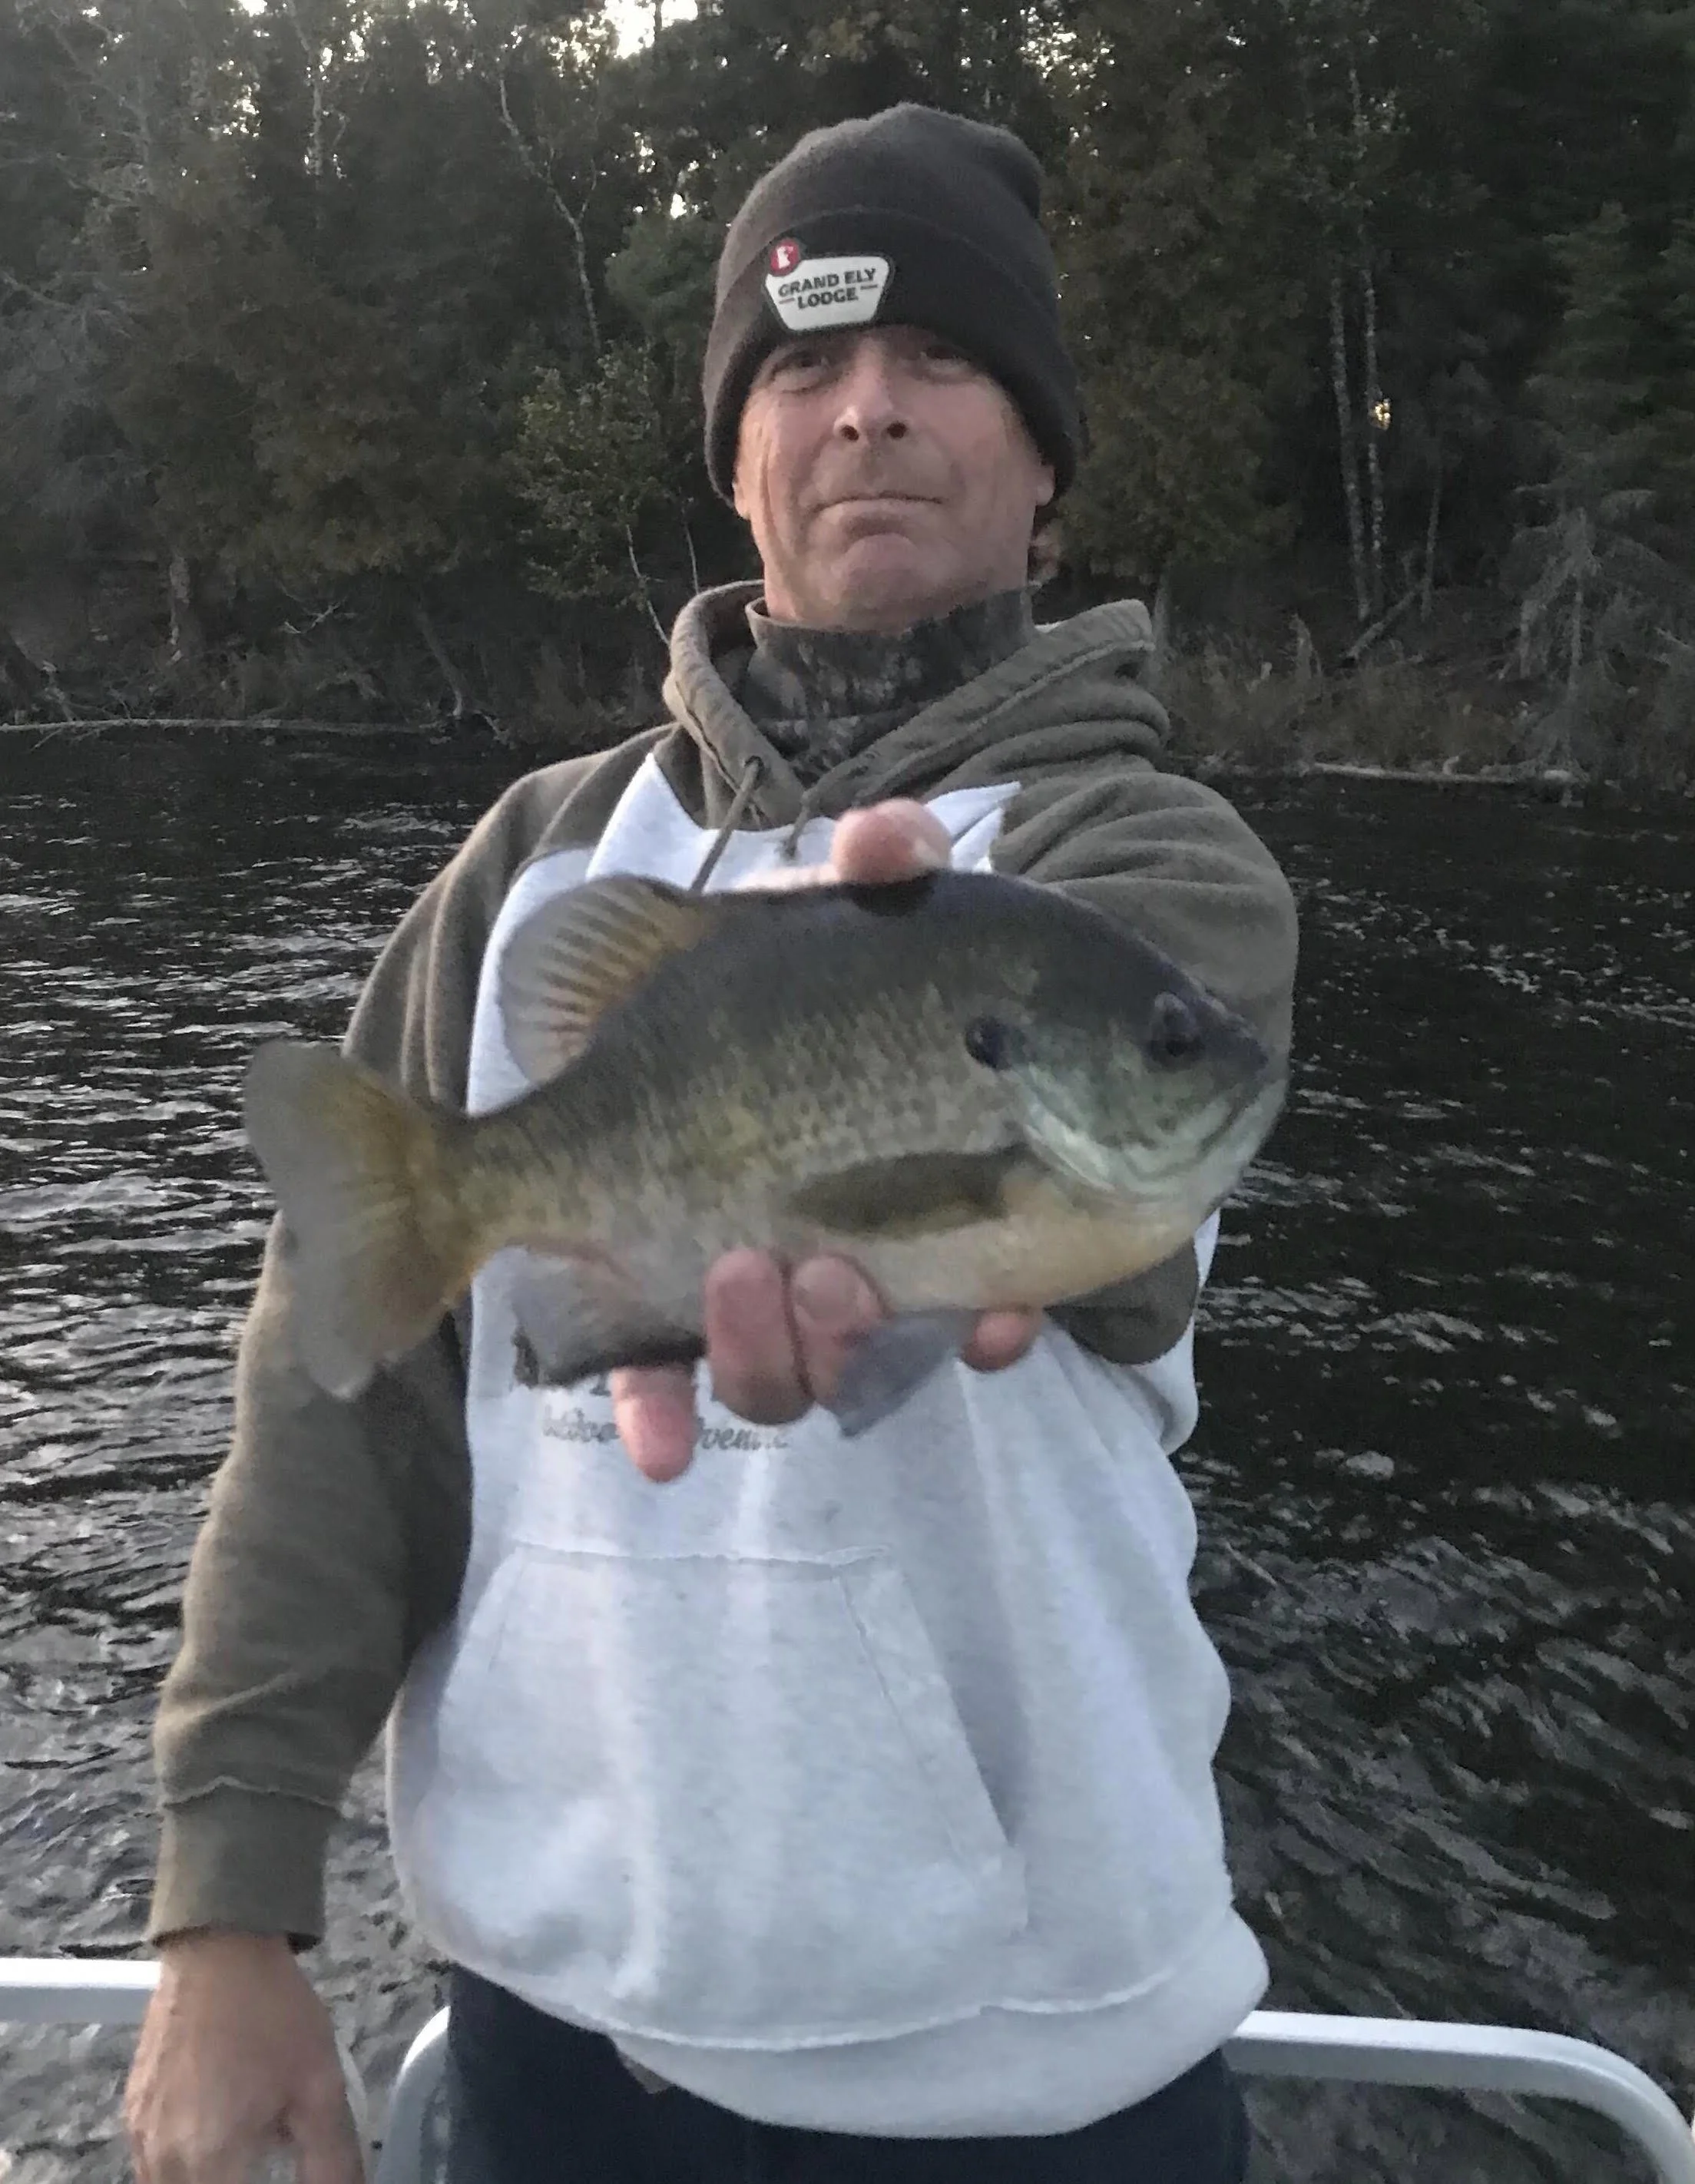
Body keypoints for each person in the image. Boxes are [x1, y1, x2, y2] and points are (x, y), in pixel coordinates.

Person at [124, 104, 1298, 2184]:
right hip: (556, 2035)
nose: (869, 410)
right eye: (804, 363)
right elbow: (336, 1396)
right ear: (739, 459)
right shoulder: (535, 867)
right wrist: (229, 1899)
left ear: (1044, 463)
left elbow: (1113, 1243)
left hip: (1037, 2061)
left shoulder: (1143, 863)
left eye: (942, 358)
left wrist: (944, 1177)